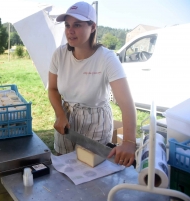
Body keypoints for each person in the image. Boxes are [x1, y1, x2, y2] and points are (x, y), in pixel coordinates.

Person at [48, 1, 137, 167]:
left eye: (77, 25)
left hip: (95, 119)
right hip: (66, 114)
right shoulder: (59, 55)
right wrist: (60, 114)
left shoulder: (106, 58)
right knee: (64, 164)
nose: (70, 31)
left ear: (93, 27)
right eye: (67, 25)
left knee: (89, 168)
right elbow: (52, 89)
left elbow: (126, 104)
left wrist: (129, 142)